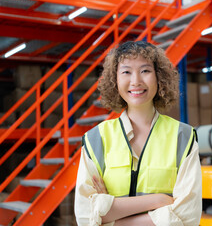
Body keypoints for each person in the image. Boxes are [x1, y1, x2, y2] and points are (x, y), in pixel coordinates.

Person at [74, 41, 202, 226]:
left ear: (159, 77)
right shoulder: (97, 139)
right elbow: (85, 216)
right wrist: (159, 200)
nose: (136, 81)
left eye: (145, 71)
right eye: (126, 72)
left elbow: (188, 216)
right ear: (115, 79)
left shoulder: (183, 137)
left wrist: (109, 217)